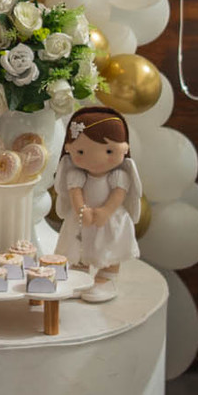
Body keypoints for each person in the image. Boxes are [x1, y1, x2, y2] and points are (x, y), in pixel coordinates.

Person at [53, 105, 142, 303]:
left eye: (109, 150)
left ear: (124, 148)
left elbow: (118, 195)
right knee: (79, 246)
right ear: (69, 148)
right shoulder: (75, 174)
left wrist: (106, 211)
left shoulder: (120, 175)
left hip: (109, 218)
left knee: (109, 247)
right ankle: (79, 272)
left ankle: (106, 277)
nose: (97, 159)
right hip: (81, 218)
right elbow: (75, 194)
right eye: (82, 151)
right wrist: (81, 210)